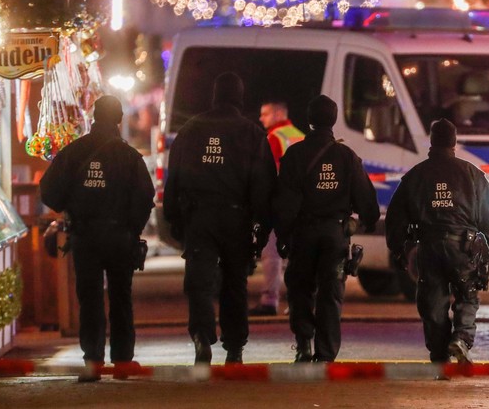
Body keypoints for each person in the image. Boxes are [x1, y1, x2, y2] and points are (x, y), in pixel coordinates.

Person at [163, 72, 277, 365]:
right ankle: (235, 347)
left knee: (199, 283)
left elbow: (173, 179)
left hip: (199, 218)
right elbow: (263, 184)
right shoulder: (251, 133)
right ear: (239, 97)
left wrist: (175, 220)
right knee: (234, 283)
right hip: (235, 218)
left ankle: (202, 337)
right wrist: (262, 227)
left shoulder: (190, 130)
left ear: (214, 96)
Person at [39, 95, 154, 382]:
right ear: (118, 119)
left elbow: (49, 191)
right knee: (120, 296)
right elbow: (145, 196)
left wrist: (70, 209)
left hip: (85, 235)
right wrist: (133, 228)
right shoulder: (129, 156)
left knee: (89, 298)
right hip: (119, 236)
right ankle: (123, 362)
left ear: (93, 116)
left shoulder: (73, 152)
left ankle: (92, 362)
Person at [385, 118, 489, 364]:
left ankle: (440, 357)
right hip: (464, 247)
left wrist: (397, 248)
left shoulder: (416, 175)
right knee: (467, 295)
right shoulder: (472, 173)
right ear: (454, 141)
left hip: (428, 247)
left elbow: (395, 217)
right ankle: (460, 339)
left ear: (431, 141)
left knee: (432, 302)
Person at [274, 95, 380, 362]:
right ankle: (326, 354)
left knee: (300, 290)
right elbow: (368, 204)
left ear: (309, 120)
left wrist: (282, 236)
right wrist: (358, 222)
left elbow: (283, 202)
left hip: (302, 233)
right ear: (333, 120)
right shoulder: (346, 157)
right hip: (335, 235)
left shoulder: (295, 155)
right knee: (331, 293)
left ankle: (303, 345)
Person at [250, 100, 304, 316]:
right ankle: (299, 303)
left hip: (279, 204)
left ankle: (269, 301)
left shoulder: (274, 137)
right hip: (300, 205)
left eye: (266, 113)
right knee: (297, 256)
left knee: (272, 254)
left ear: (279, 113)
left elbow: (269, 173)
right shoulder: (299, 134)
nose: (261, 118)